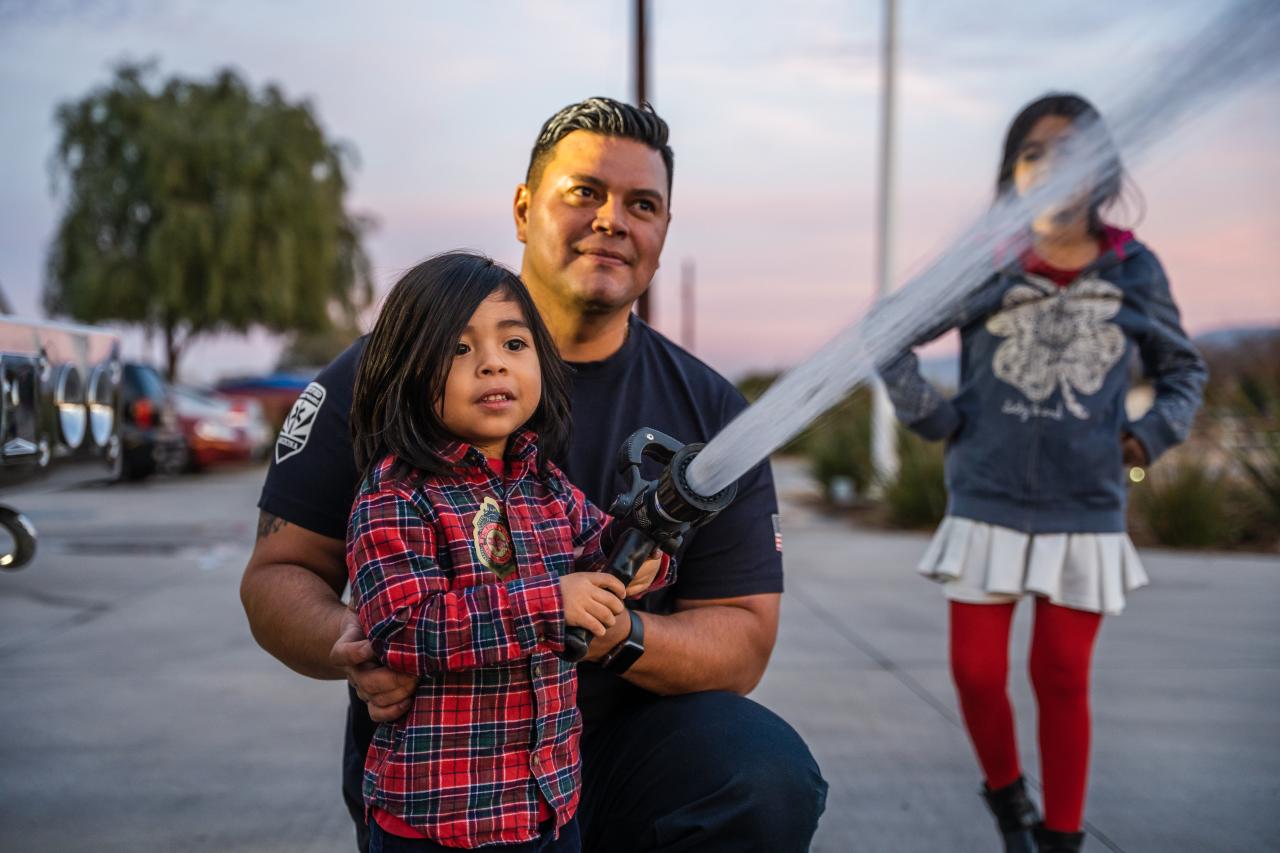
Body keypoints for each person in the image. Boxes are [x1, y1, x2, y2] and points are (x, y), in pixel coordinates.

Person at [241, 97, 828, 853]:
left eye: (642, 204)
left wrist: (618, 631)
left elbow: (744, 639)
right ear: (523, 209)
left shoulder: (712, 411)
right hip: (445, 772)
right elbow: (275, 574)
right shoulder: (386, 374)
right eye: (584, 192)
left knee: (764, 774)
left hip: (621, 754)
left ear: (662, 233)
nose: (612, 220)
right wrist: (352, 642)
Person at [880, 92, 1207, 853]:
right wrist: (932, 415)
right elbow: (886, 332)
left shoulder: (1133, 266)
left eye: (1070, 151)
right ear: (1011, 174)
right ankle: (1006, 800)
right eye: (1032, 152)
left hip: (1084, 504)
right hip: (985, 498)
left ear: (1101, 171)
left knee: (1061, 675)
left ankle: (1061, 840)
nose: (1050, 166)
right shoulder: (984, 263)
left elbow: (1182, 368)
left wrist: (1149, 434)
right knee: (975, 672)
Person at [347, 252, 670, 851]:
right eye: (459, 349)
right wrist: (553, 604)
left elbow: (601, 549)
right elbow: (405, 629)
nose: (493, 362)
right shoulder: (395, 495)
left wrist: (642, 556)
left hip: (549, 806)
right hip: (440, 820)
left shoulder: (543, 482)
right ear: (406, 370)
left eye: (514, 344)